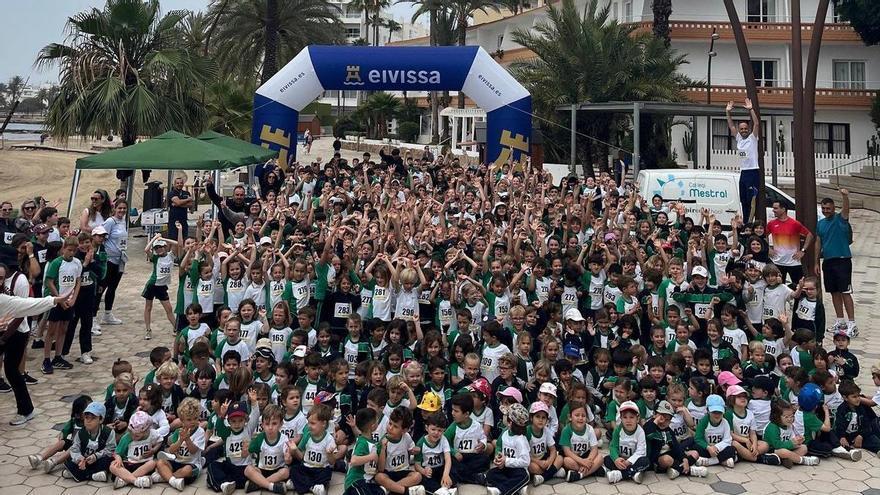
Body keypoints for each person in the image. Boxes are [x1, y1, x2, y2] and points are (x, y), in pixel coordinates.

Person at [815, 189, 857, 336]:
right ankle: (840, 321)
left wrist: (845, 196)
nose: (826, 211)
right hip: (828, 261)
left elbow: (846, 209)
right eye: (823, 208)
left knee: (845, 292)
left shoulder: (841, 219)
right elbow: (818, 243)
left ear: (833, 209)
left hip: (842, 260)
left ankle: (852, 323)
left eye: (828, 208)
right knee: (834, 292)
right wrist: (816, 262)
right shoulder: (820, 224)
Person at [725, 98, 761, 222]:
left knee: (751, 200)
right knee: (743, 200)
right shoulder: (739, 139)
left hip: (753, 172)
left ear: (748, 129)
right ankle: (745, 222)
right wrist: (727, 112)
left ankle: (750, 222)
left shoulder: (752, 138)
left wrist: (751, 109)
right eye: (741, 129)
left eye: (745, 128)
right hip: (743, 172)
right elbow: (731, 125)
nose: (744, 130)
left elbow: (756, 124)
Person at [766, 200, 813, 287]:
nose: (773, 210)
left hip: (794, 262)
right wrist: (768, 248)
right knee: (777, 288)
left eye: (775, 208)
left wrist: (803, 251)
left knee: (800, 287)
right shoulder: (771, 224)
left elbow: (809, 235)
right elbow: (764, 235)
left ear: (783, 209)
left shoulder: (794, 224)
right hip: (777, 262)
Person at [98, 200, 129, 326]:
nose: (122, 210)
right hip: (109, 260)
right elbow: (101, 237)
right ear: (115, 209)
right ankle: (93, 317)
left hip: (120, 260)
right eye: (119, 208)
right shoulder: (110, 222)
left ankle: (108, 314)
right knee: (102, 287)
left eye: (124, 208)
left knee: (113, 287)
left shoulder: (123, 221)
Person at [167, 174, 193, 241]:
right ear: (174, 184)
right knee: (173, 239)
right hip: (174, 220)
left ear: (183, 184)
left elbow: (190, 205)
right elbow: (178, 202)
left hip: (183, 220)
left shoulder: (186, 193)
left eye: (181, 183)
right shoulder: (171, 193)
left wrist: (178, 204)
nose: (179, 184)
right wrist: (187, 199)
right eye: (177, 183)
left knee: (184, 238)